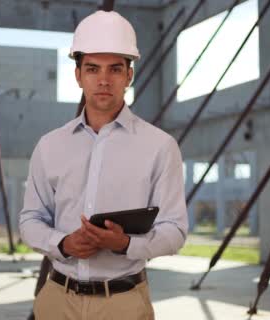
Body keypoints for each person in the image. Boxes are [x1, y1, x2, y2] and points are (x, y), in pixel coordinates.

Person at [19, 10, 188, 320]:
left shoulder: (160, 147)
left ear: (129, 75)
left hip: (123, 303)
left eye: (115, 69)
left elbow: (175, 230)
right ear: (78, 75)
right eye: (93, 68)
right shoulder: (50, 146)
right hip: (57, 300)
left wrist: (124, 244)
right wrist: (64, 243)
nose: (104, 80)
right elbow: (30, 219)